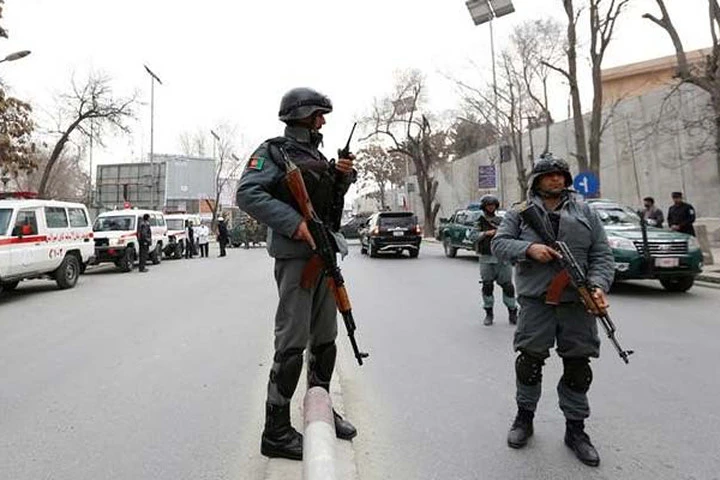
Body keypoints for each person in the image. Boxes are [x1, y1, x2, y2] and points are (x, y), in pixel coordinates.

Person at [236, 87, 357, 461]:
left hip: (324, 255)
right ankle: (275, 430)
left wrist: (341, 177)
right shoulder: (273, 151)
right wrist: (293, 224)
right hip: (296, 258)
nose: (323, 121)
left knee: (325, 338)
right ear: (301, 115)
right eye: (318, 115)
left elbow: (324, 202)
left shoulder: (315, 155)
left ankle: (318, 409)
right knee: (291, 342)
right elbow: (248, 193)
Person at [491, 154, 614, 467]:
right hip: (536, 302)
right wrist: (528, 249)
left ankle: (576, 431)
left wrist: (598, 286)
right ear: (537, 180)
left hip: (577, 303)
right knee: (529, 362)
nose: (556, 179)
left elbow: (601, 253)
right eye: (549, 175)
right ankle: (524, 419)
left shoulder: (585, 211)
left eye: (561, 175)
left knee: (578, 367)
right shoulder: (520, 213)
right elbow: (499, 245)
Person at [475, 194, 517, 326]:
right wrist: (486, 233)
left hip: (502, 259)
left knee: (508, 286)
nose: (491, 207)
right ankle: (489, 313)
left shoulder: (502, 220)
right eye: (488, 205)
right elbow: (471, 235)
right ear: (484, 207)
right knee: (487, 286)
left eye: (493, 205)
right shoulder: (479, 222)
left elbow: (512, 235)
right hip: (486, 258)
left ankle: (512, 311)